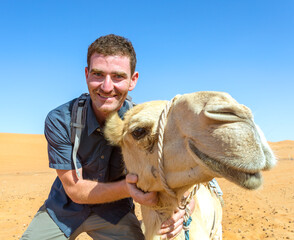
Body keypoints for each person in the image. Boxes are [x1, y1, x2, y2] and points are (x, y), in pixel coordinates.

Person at [21, 34, 193, 240]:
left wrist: (185, 209)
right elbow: (74, 189)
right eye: (98, 74)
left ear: (133, 80)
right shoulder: (61, 120)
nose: (106, 86)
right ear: (86, 74)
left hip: (115, 215)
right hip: (63, 212)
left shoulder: (145, 125)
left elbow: (183, 172)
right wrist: (129, 189)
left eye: (118, 76)